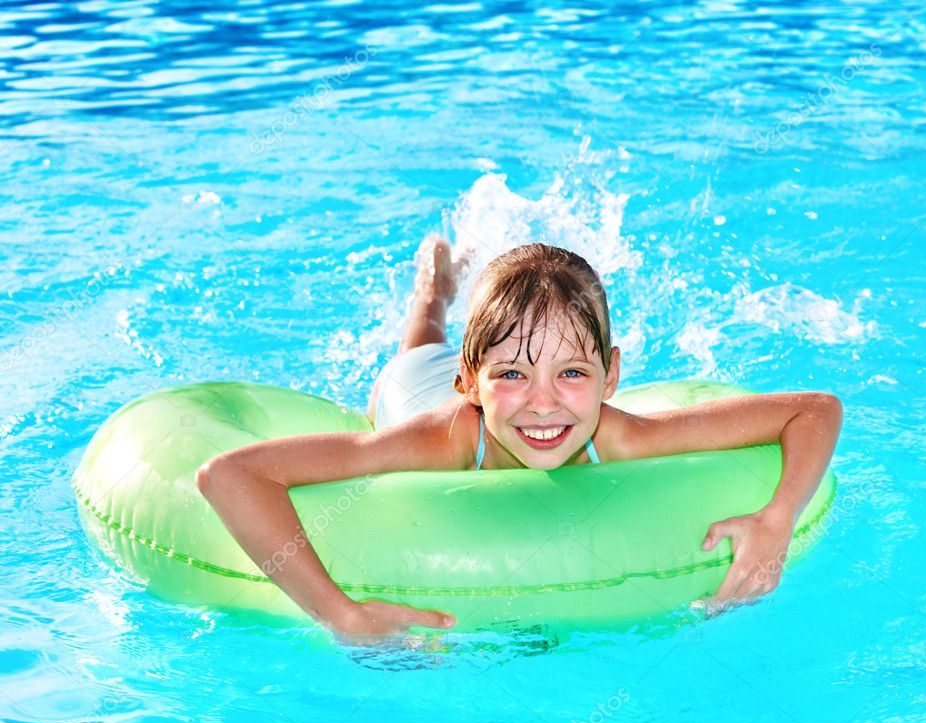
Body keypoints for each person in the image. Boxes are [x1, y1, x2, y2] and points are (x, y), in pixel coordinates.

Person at [196, 236, 843, 644]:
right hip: (412, 388)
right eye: (511, 375)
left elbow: (815, 410)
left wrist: (776, 516)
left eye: (572, 372)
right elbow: (228, 476)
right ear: (472, 383)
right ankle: (433, 288)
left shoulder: (623, 435)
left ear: (611, 375)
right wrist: (338, 613)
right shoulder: (442, 440)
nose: (542, 402)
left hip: (465, 375)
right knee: (420, 338)